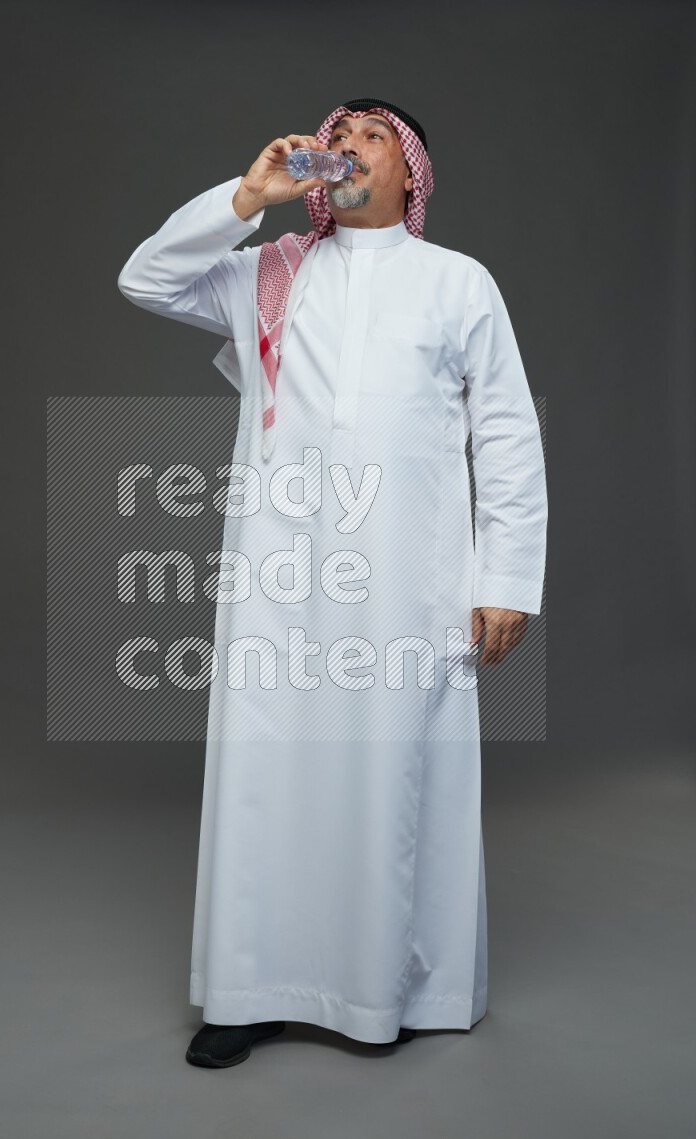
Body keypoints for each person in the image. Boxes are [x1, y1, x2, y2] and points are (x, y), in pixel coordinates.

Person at [117, 98, 548, 1068]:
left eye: (371, 137)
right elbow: (145, 278)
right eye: (336, 134)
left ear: (411, 175)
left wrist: (507, 576)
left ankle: (385, 988)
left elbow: (507, 433)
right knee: (265, 773)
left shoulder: (455, 282)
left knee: (391, 772)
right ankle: (247, 989)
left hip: (411, 576)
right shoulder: (268, 271)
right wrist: (246, 198)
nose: (347, 146)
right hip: (278, 573)